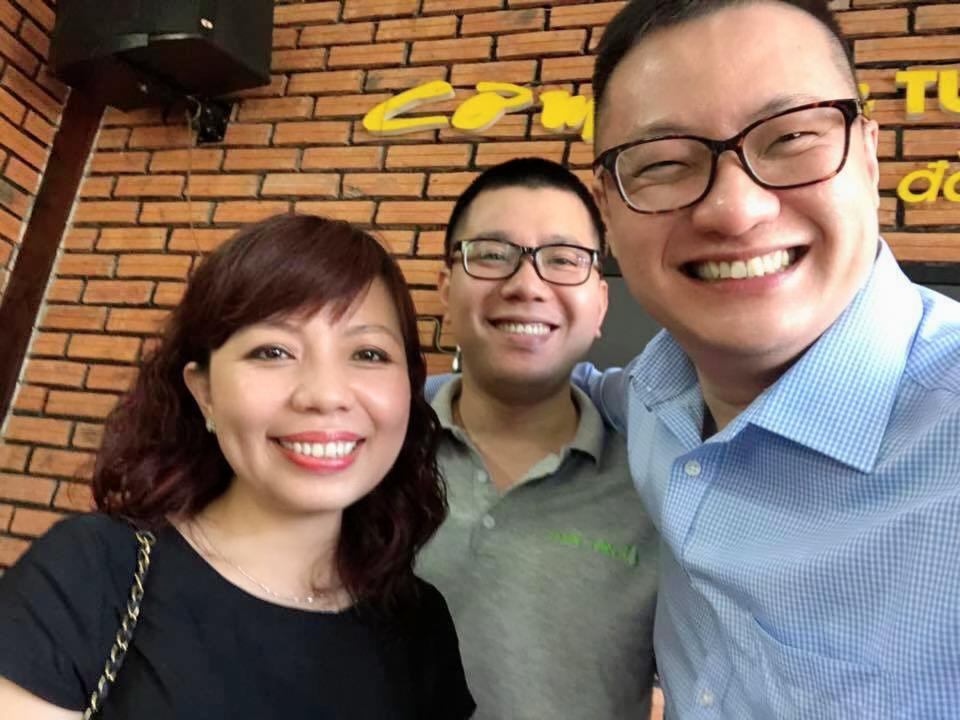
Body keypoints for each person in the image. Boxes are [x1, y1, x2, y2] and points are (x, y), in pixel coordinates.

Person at [573, 0, 960, 717]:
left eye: (791, 137)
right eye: (664, 163)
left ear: (868, 155)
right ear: (609, 211)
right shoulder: (651, 399)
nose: (736, 209)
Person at [0, 214, 475, 719]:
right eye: (273, 351)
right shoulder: (89, 574)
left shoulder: (419, 628)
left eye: (368, 353)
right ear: (203, 391)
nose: (325, 395)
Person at [419, 158, 659, 719]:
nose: (527, 285)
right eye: (491, 254)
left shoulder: (659, 475)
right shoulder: (372, 450)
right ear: (446, 289)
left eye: (563, 259)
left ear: (600, 302)